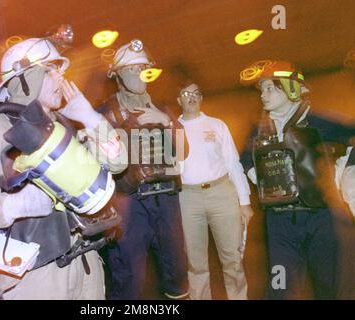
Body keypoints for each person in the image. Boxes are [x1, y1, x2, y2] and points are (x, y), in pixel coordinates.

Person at [0, 36, 126, 299]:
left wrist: (90, 118)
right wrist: (13, 206)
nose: (61, 78)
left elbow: (118, 162)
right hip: (34, 276)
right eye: (51, 70)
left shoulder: (66, 129)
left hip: (86, 265)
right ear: (25, 77)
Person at [240, 60, 355, 299]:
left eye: (270, 88)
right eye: (261, 89)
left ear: (291, 89)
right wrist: (258, 177)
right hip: (279, 223)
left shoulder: (320, 123)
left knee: (326, 286)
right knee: (280, 289)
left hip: (320, 220)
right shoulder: (259, 130)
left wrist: (345, 176)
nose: (263, 94)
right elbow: (246, 160)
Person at [97, 39, 189, 300]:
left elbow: (183, 152)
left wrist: (166, 123)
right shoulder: (105, 115)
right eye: (132, 69)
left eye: (142, 68)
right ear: (117, 75)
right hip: (130, 204)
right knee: (128, 277)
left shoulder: (162, 108)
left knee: (177, 271)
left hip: (167, 200)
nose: (140, 75)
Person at [176, 81, 253, 300]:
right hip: (187, 198)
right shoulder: (172, 129)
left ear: (201, 98)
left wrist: (244, 202)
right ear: (179, 100)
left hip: (222, 193)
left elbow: (233, 162)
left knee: (232, 259)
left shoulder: (217, 125)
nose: (191, 97)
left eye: (196, 93)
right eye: (186, 93)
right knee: (195, 262)